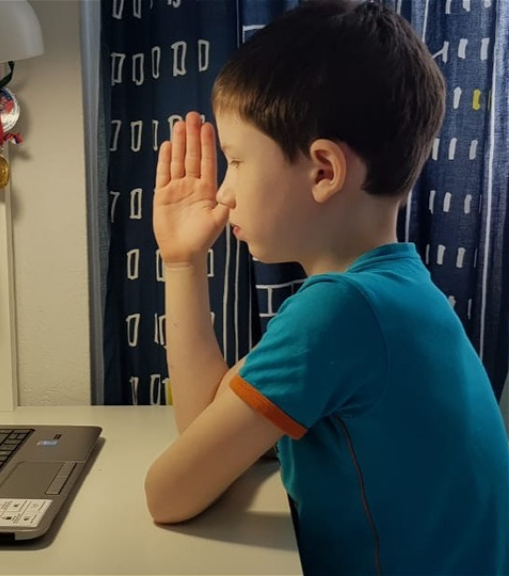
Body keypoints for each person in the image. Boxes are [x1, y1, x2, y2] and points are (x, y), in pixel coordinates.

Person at [144, 1, 509, 574]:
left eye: (236, 161)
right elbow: (206, 433)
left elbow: (168, 493)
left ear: (324, 171)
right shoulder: (395, 290)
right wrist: (183, 261)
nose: (224, 192)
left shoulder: (340, 311)